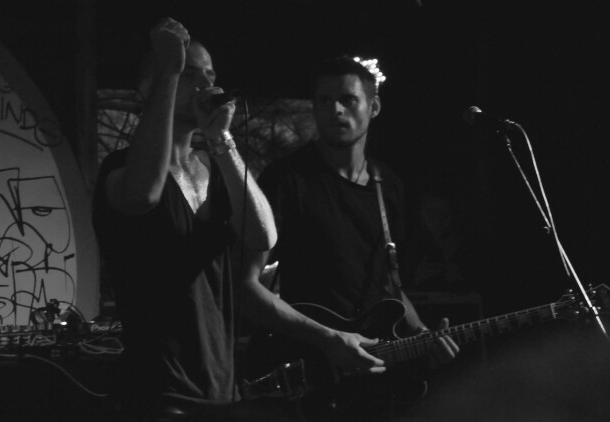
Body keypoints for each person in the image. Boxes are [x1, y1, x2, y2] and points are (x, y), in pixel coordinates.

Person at [93, 19, 385, 422]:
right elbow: (143, 195)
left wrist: (222, 140)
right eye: (189, 73)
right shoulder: (122, 168)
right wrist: (168, 70)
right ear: (151, 86)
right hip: (155, 393)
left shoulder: (214, 169)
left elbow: (263, 235)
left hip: (222, 388)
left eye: (210, 74)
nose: (204, 84)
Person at [254, 55, 459, 420]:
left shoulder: (387, 185)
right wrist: (328, 339)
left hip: (373, 378)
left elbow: (390, 285)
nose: (335, 109)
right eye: (324, 100)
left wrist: (421, 333)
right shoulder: (285, 180)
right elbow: (247, 285)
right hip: (310, 372)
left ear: (373, 107)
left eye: (347, 99)